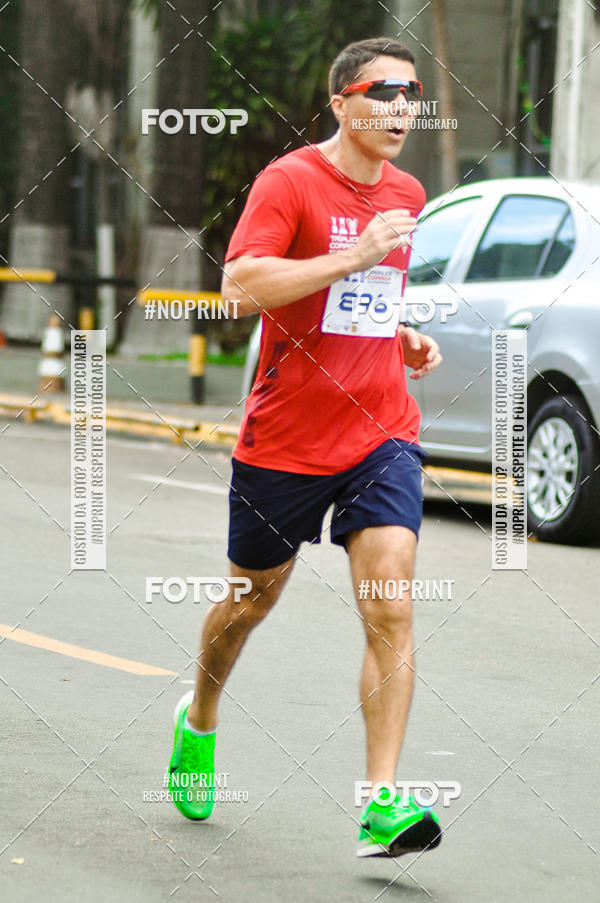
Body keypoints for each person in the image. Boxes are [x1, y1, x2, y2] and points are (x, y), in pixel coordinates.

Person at [167, 36, 443, 859]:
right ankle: (199, 719)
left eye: (412, 92)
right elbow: (239, 287)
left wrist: (400, 336)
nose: (401, 107)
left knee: (391, 600)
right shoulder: (289, 182)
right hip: (285, 439)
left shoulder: (408, 192)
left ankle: (381, 800)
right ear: (341, 102)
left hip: (381, 431)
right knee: (251, 602)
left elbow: (364, 300)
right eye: (383, 91)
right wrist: (352, 252)